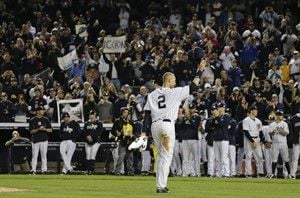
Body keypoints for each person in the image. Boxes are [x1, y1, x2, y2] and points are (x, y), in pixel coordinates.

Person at [142, 72, 200, 193]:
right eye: (173, 80)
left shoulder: (152, 94)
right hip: (167, 126)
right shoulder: (175, 92)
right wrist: (199, 71)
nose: (175, 83)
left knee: (161, 156)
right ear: (168, 81)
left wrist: (143, 132)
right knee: (166, 156)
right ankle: (161, 186)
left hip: (155, 126)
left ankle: (160, 184)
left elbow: (147, 115)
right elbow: (194, 87)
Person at [242, 105, 266, 177]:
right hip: (249, 140)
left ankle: (260, 172)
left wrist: (262, 141)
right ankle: (248, 173)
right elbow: (246, 132)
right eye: (255, 110)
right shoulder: (246, 120)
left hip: (257, 139)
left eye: (256, 110)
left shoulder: (258, 121)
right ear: (251, 111)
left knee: (260, 156)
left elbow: (261, 132)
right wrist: (252, 142)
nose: (256, 111)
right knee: (248, 156)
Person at [111, 107, 135, 175]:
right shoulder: (118, 121)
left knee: (130, 157)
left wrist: (132, 135)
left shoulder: (130, 122)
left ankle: (131, 172)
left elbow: (134, 131)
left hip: (130, 141)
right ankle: (117, 171)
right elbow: (113, 131)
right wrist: (117, 134)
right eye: (125, 112)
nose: (126, 114)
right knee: (121, 157)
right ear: (121, 113)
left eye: (127, 113)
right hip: (122, 140)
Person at [28, 106, 52, 174]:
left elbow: (50, 130)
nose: (41, 111)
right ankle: (33, 170)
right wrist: (38, 129)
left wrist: (44, 129)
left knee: (44, 156)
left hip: (44, 139)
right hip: (35, 140)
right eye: (39, 110)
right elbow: (31, 131)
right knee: (34, 156)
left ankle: (44, 170)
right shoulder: (32, 120)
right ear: (37, 111)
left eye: (41, 110)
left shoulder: (46, 119)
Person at [268, 110, 292, 178]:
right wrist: (273, 131)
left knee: (286, 159)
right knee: (274, 159)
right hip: (275, 142)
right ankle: (273, 174)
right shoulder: (272, 124)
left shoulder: (284, 124)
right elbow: (270, 133)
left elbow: (286, 133)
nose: (279, 116)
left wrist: (280, 131)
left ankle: (289, 174)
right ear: (276, 116)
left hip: (283, 143)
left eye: (280, 115)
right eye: (278, 115)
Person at [83, 110, 104, 175]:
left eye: (92, 114)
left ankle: (91, 170)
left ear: (95, 115)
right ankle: (88, 170)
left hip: (96, 141)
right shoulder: (86, 123)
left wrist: (92, 138)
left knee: (92, 155)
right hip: (87, 141)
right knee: (88, 155)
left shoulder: (99, 123)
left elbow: (99, 133)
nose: (91, 116)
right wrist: (87, 136)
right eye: (90, 114)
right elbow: (84, 132)